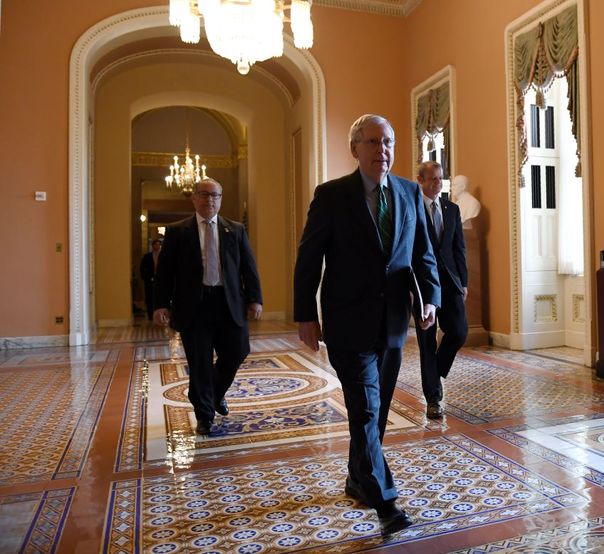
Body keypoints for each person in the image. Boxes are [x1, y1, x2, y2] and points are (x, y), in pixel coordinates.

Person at [293, 114, 440, 535]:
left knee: (373, 417)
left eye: (389, 142)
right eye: (373, 142)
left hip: (392, 324)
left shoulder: (410, 193)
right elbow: (309, 258)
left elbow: (423, 255)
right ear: (355, 148)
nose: (383, 150)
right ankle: (385, 502)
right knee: (366, 408)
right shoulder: (332, 195)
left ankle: (358, 479)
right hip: (346, 322)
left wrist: (430, 298)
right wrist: (306, 313)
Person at [154, 178, 263, 436]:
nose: (210, 200)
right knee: (200, 362)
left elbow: (249, 267)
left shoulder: (234, 230)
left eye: (216, 195)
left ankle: (213, 394)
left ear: (221, 199)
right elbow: (165, 273)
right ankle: (204, 416)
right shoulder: (178, 231)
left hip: (228, 303)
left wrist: (255, 299)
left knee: (238, 351)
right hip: (194, 306)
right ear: (194, 198)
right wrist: (160, 304)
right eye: (204, 194)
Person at [415, 161, 468, 419]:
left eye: (440, 178)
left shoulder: (452, 209)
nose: (438, 183)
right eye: (433, 179)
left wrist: (464, 282)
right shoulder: (412, 209)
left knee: (459, 332)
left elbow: (459, 249)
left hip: (449, 281)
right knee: (427, 341)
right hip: (423, 284)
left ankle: (434, 371)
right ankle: (433, 398)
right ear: (421, 180)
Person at [139, 238, 162, 320]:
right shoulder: (147, 256)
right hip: (149, 281)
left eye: (159, 244)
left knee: (160, 297)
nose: (157, 246)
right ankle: (150, 315)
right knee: (149, 297)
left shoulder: (163, 256)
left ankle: (160, 315)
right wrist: (146, 278)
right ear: (152, 246)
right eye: (156, 244)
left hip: (160, 281)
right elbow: (142, 268)